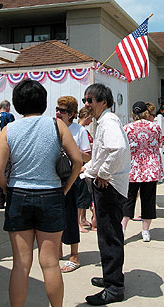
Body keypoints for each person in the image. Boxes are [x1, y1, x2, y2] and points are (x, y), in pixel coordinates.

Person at [0, 79, 82, 307]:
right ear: (43, 101)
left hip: (18, 194)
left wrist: (6, 188)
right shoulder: (56, 125)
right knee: (50, 262)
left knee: (20, 264)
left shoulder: (8, 130)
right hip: (51, 195)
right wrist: (66, 187)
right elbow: (78, 160)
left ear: (17, 103)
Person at [83, 83, 131, 305]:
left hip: (109, 187)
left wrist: (102, 173)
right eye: (85, 100)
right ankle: (111, 277)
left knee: (109, 236)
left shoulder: (109, 121)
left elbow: (118, 149)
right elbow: (102, 153)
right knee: (106, 234)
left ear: (103, 101)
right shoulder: (103, 121)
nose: (86, 105)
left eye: (90, 100)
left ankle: (114, 288)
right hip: (106, 185)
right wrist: (88, 170)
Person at [56, 96, 91, 272]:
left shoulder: (79, 131)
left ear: (71, 114)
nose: (58, 113)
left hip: (71, 177)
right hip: (54, 177)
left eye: (62, 110)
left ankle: (74, 255)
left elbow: (87, 156)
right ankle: (58, 250)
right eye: (57, 109)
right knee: (55, 216)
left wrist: (71, 149)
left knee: (70, 216)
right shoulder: (52, 128)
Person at [122, 101, 164, 242]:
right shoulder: (155, 127)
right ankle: (145, 231)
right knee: (148, 199)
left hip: (132, 167)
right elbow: (159, 144)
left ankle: (122, 229)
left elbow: (124, 146)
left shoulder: (127, 128)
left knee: (128, 199)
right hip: (150, 167)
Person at [0, 100, 15, 209]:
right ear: (7, 107)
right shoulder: (8, 116)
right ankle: (9, 199)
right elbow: (12, 131)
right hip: (5, 148)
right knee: (7, 174)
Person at [77, 107, 95, 232]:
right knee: (82, 194)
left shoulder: (79, 129)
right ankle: (79, 221)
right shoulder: (82, 130)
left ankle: (83, 219)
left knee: (85, 194)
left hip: (85, 164)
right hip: (83, 164)